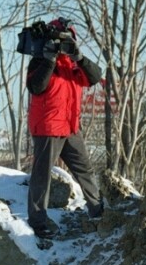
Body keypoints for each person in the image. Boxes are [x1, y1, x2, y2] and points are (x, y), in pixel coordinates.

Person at [26, 17, 104, 239]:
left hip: (70, 127)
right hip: (48, 127)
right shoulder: (39, 61)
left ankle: (97, 210)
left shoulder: (73, 65)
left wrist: (77, 55)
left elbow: (95, 77)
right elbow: (36, 87)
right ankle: (38, 221)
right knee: (42, 176)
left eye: (67, 40)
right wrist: (49, 59)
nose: (62, 45)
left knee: (85, 169)